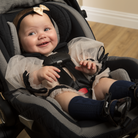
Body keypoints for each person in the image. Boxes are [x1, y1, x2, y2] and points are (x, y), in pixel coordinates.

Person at [5, 4, 138, 126]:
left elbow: (94, 66)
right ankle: (106, 110)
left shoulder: (72, 49)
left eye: (46, 29)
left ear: (56, 31)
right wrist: (38, 74)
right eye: (32, 33)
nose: (42, 35)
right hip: (64, 98)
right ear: (19, 41)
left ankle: (133, 92)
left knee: (103, 81)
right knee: (63, 97)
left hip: (91, 87)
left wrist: (90, 67)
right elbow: (22, 80)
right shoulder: (26, 62)